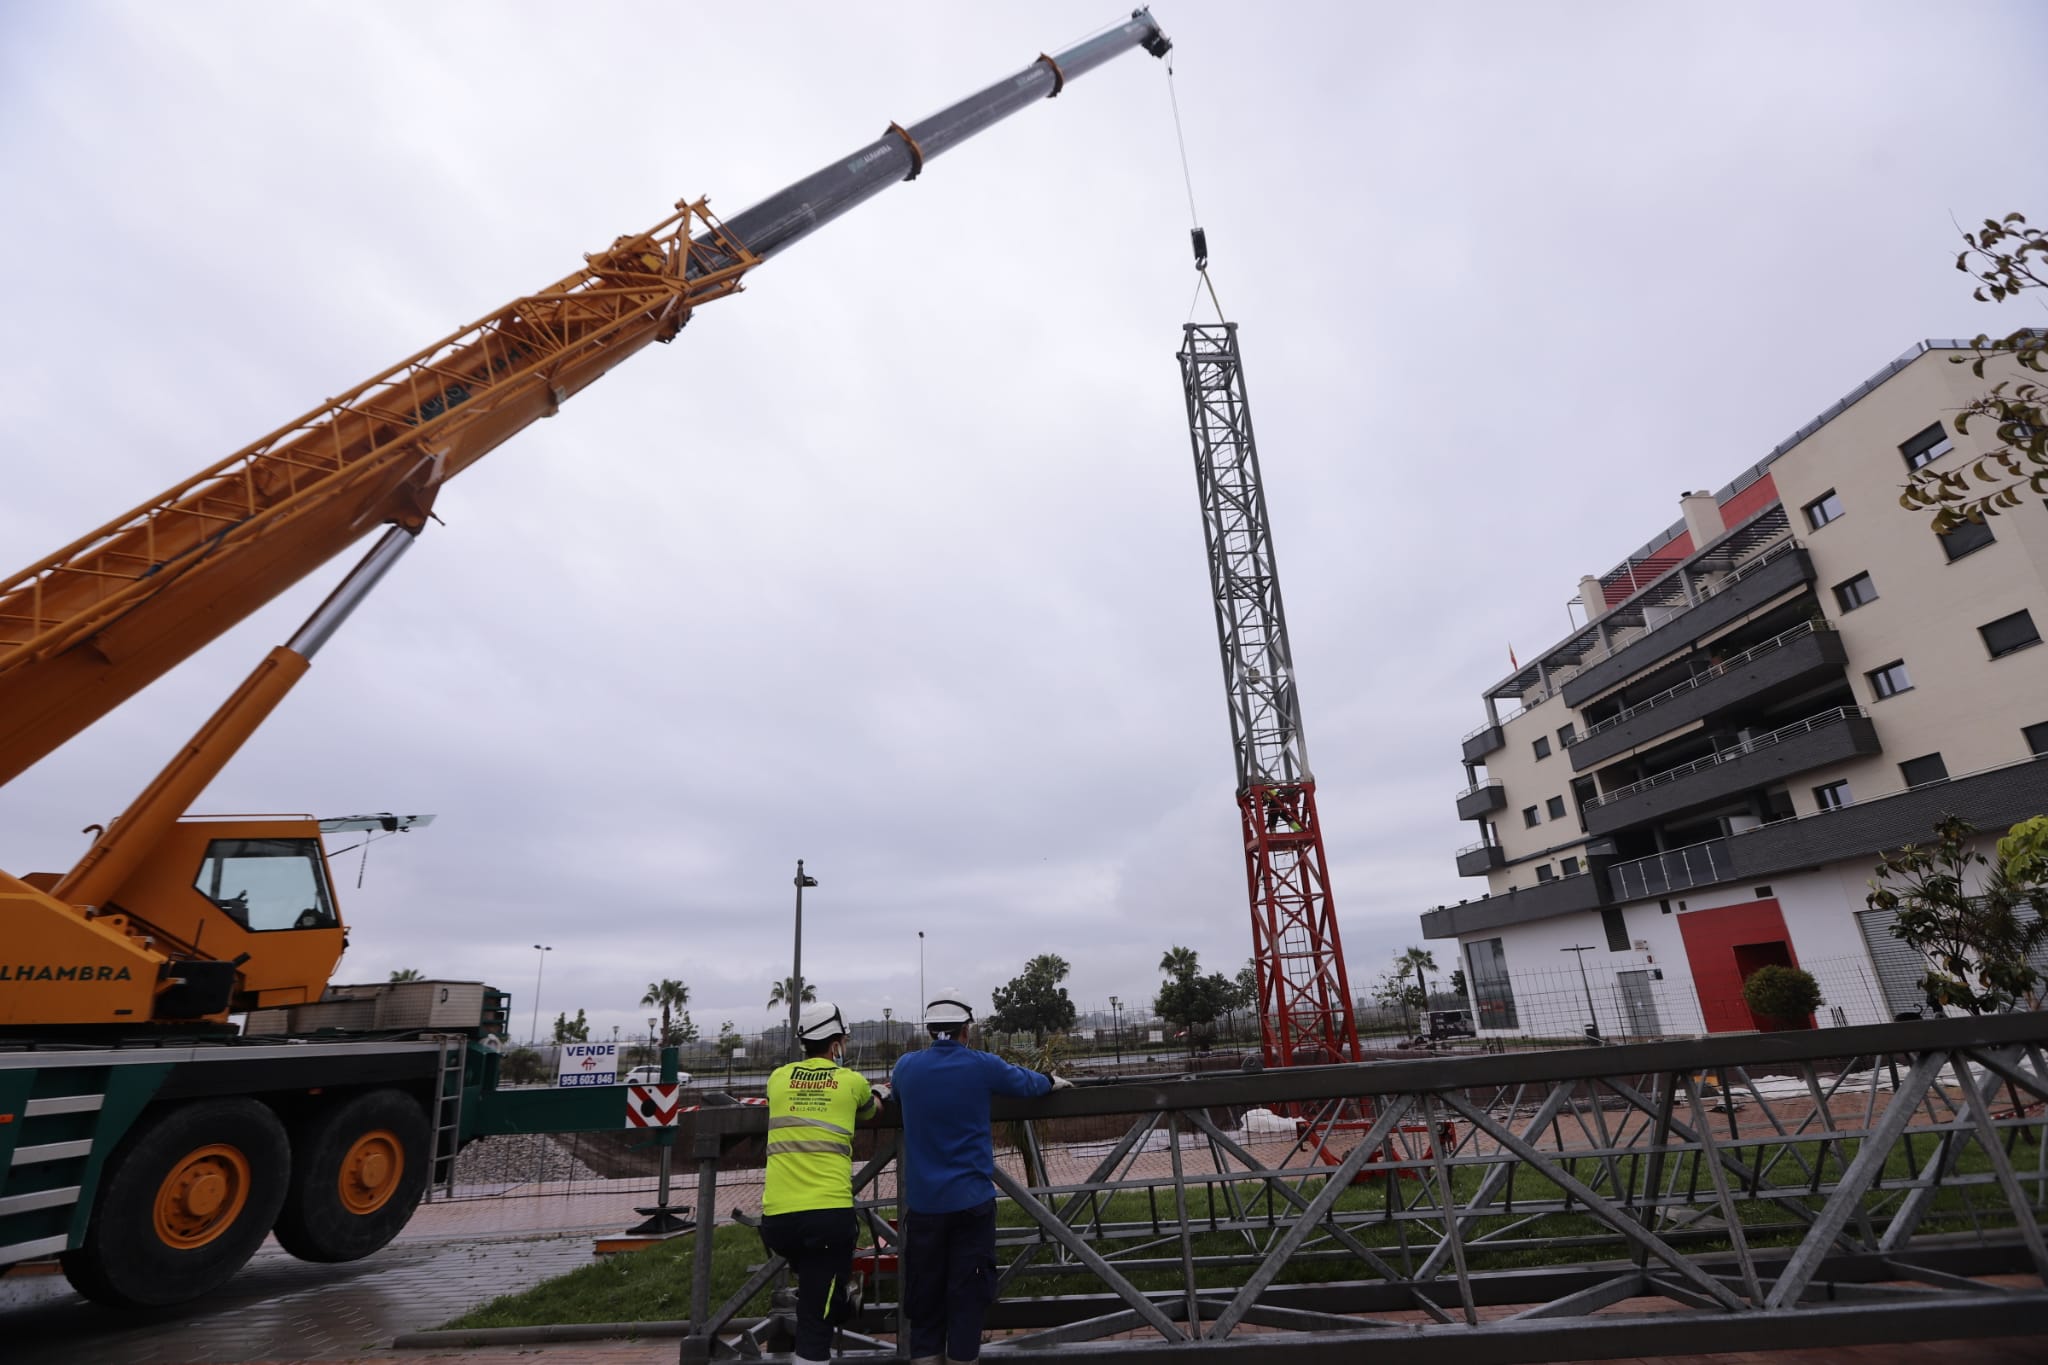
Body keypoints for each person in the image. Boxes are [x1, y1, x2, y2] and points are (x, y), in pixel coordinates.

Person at [890, 991, 1071, 1365]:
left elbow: (893, 1093)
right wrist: (1051, 1080)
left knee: (924, 1300)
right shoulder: (981, 1065)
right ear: (965, 1030)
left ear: (930, 1030)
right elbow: (1026, 1083)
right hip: (972, 1203)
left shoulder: (906, 1068)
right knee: (967, 1297)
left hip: (924, 1206)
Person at [759, 1001, 881, 1363]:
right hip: (827, 1219)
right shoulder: (851, 1081)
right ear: (836, 1045)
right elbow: (873, 1109)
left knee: (818, 1290)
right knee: (816, 1318)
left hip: (777, 1222)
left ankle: (837, 1298)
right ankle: (838, 1302)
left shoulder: (778, 1078)